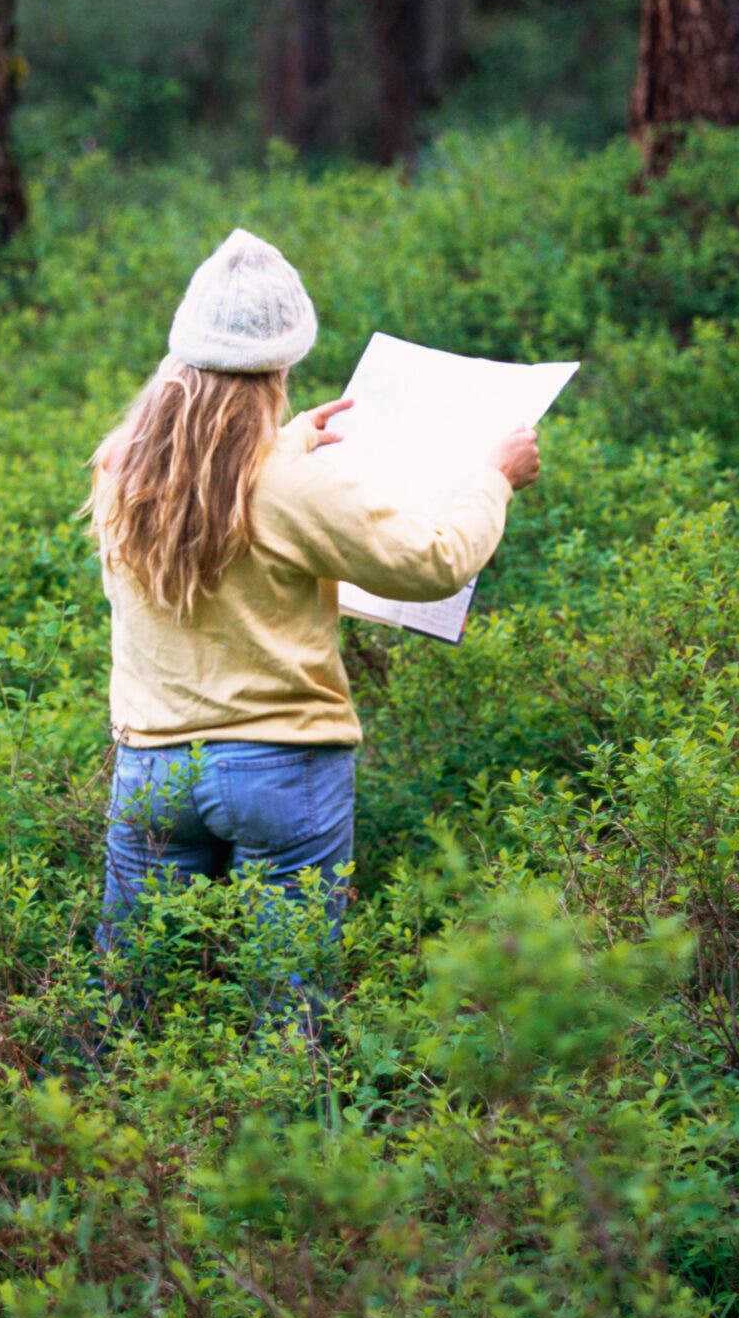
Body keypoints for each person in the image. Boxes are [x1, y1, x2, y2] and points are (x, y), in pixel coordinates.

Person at [90, 227, 541, 996]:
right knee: (288, 999)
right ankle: (287, 1115)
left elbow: (224, 482)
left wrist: (294, 441)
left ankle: (95, 1110)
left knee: (127, 995)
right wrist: (495, 481)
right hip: (282, 766)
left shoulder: (122, 467)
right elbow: (433, 562)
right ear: (282, 363)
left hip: (152, 767)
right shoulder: (292, 487)